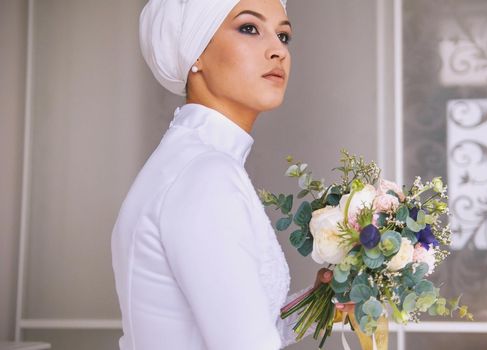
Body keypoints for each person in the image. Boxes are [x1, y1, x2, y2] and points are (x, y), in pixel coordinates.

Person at [111, 0, 350, 349]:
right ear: (196, 52)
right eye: (249, 28)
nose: (277, 51)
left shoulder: (189, 161)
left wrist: (323, 299)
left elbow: (246, 330)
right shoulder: (206, 175)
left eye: (283, 35)